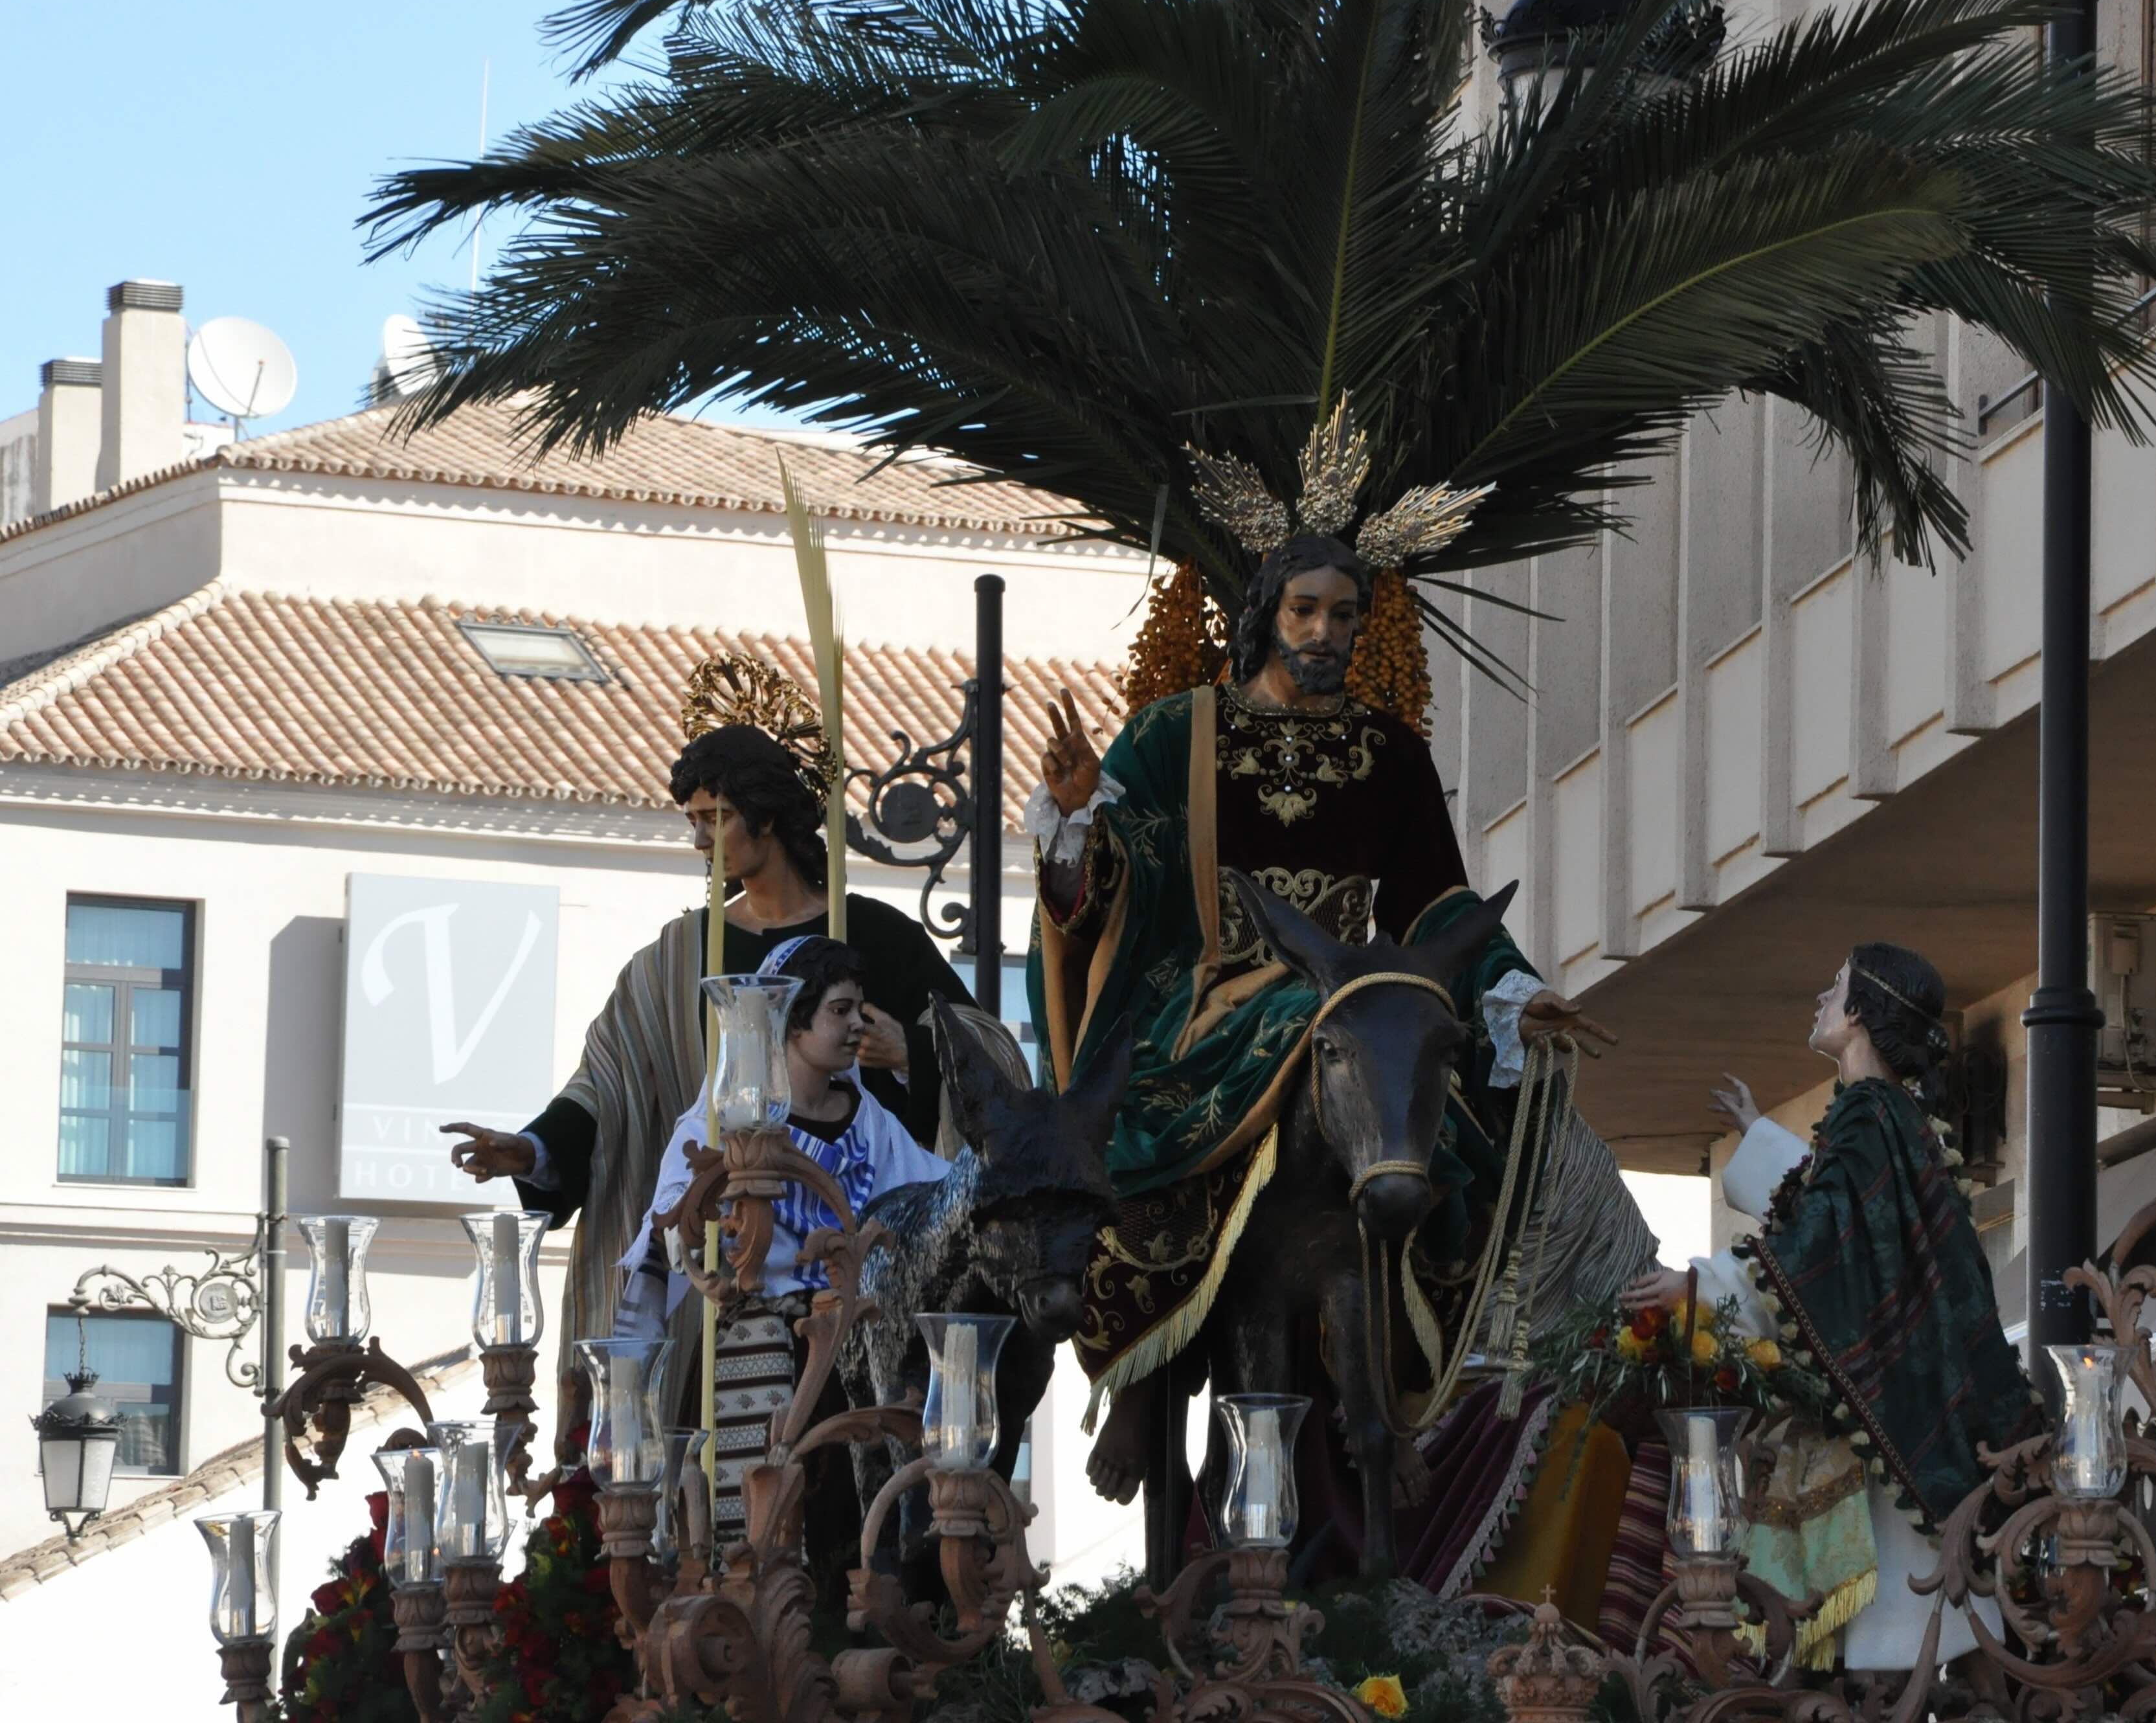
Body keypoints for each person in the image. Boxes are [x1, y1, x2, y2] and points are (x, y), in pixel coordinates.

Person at [1025, 531, 1615, 1503]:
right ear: (1266, 615)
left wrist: (1513, 989)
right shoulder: (1178, 734)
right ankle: (1143, 1361)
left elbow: (1436, 906)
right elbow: (1108, 894)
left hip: (1350, 991)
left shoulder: (1389, 753)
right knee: (1144, 1124)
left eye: (1345, 616)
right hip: (1211, 998)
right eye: (1305, 611)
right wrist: (1080, 821)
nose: (1324, 633)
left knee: (1447, 1119)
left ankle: (1394, 1362)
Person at [443, 720, 972, 1439]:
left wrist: (908, 1051)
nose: (700, 841)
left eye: (715, 819)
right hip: (724, 1275)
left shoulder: (879, 938)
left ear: (768, 815)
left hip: (862, 1268)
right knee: (721, 1466)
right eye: (693, 821)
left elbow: (983, 1059)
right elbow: (609, 1081)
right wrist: (535, 1149)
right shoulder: (679, 955)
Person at [1610, 945, 2034, 1670]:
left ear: (1862, 1011)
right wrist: (1757, 1132)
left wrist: (1701, 1289)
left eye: (1834, 986)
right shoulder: (1890, 1118)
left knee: (1888, 1644)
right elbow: (1844, 1219)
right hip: (1909, 1401)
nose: (1820, 995)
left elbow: (1822, 1250)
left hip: (1889, 1434)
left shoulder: (1869, 1115)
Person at [616, 936, 950, 1543]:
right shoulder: (717, 1127)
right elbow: (666, 1234)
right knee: (754, 1538)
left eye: (858, 1009)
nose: (857, 1026)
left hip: (853, 1356)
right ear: (792, 1021)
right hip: (755, 1347)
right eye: (840, 1010)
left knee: (851, 1536)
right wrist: (639, 1353)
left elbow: (935, 1199)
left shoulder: (871, 1122)